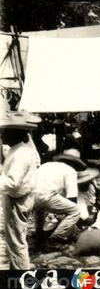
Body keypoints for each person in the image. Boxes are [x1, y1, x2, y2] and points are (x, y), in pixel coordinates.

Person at [0, 112, 40, 269]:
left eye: (6, 131)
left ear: (16, 133)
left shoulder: (20, 154)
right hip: (21, 198)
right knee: (15, 239)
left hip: (17, 200)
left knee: (16, 243)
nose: (3, 135)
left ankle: (21, 274)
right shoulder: (17, 150)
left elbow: (12, 182)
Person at [32, 149, 85, 248]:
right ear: (75, 163)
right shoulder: (70, 170)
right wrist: (73, 223)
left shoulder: (46, 165)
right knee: (75, 210)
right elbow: (72, 197)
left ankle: (39, 239)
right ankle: (56, 238)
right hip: (46, 195)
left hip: (30, 194)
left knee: (39, 212)